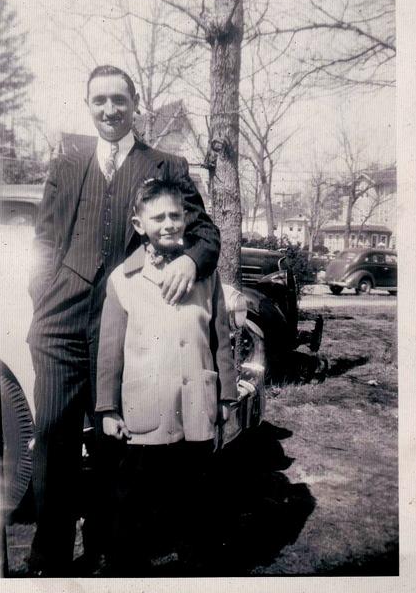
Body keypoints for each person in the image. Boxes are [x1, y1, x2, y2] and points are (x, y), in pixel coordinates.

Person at [26, 65, 220, 576]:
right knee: (53, 437)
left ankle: (111, 554)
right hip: (60, 325)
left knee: (117, 443)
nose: (109, 109)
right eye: (99, 101)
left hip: (127, 332)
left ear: (136, 105)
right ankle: (47, 559)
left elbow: (207, 236)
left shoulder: (167, 165)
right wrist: (42, 293)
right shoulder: (67, 164)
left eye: (119, 99)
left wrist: (189, 260)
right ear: (87, 106)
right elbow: (45, 239)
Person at [95, 177, 238, 575]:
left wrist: (226, 397)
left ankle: (199, 567)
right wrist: (107, 407)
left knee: (196, 499)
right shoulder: (123, 280)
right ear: (141, 225)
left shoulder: (205, 277)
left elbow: (220, 340)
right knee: (134, 501)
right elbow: (109, 352)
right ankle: (125, 571)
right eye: (158, 217)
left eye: (176, 215)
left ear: (188, 218)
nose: (170, 223)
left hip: (196, 407)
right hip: (146, 410)